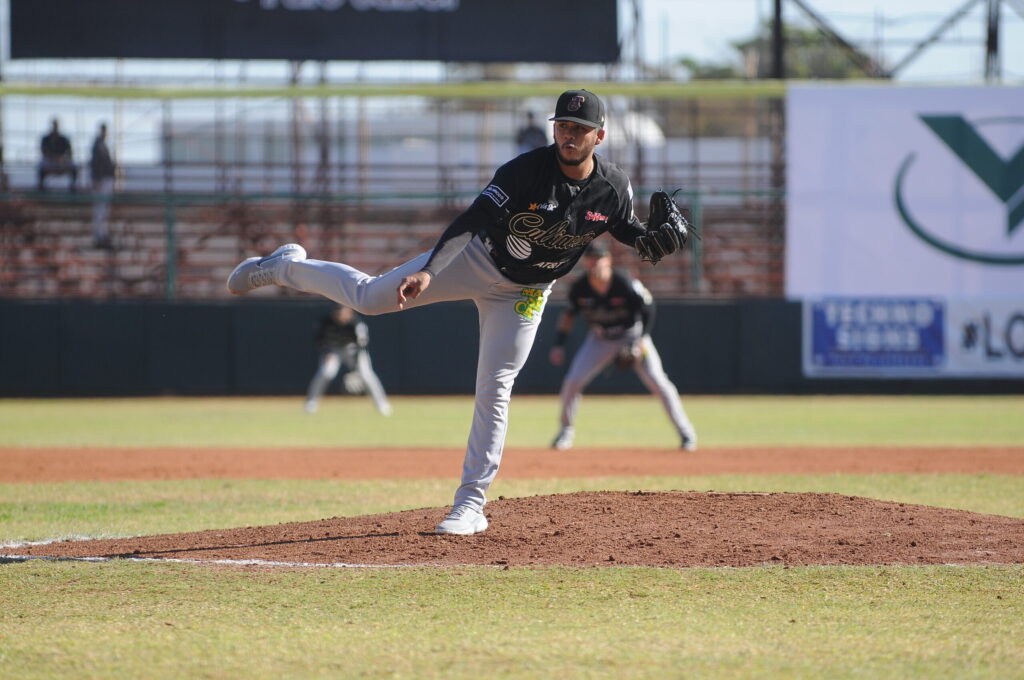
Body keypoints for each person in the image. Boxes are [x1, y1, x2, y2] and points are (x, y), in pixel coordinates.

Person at [226, 89, 691, 535]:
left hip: (526, 291)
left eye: (580, 128)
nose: (569, 135)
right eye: (563, 125)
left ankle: (471, 504)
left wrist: (650, 238)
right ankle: (287, 268)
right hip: (474, 260)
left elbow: (624, 228)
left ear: (600, 136)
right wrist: (430, 271)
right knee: (368, 298)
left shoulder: (613, 186)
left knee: (496, 386)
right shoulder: (523, 172)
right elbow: (470, 220)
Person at [548, 242, 698, 452]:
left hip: (632, 335)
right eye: (590, 259)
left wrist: (640, 341)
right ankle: (565, 432)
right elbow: (568, 316)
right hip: (600, 338)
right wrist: (559, 344)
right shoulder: (580, 287)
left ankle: (686, 433)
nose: (594, 263)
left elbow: (648, 308)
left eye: (598, 258)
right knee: (573, 381)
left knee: (658, 381)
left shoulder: (624, 282)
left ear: (607, 260)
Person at [305, 305, 392, 416]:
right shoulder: (326, 322)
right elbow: (319, 339)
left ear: (349, 312)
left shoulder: (356, 323)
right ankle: (311, 402)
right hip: (333, 351)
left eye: (341, 312)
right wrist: (326, 352)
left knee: (366, 374)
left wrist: (355, 369)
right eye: (337, 313)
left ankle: (382, 404)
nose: (339, 315)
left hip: (353, 350)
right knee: (326, 372)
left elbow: (361, 346)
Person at [89, 123, 117, 249]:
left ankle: (102, 235)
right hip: (101, 180)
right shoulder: (98, 145)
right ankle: (99, 235)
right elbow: (97, 164)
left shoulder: (102, 145)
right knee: (100, 210)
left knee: (103, 210)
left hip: (103, 179)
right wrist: (97, 179)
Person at [37, 118, 78, 192]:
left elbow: (70, 152)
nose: (55, 127)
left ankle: (73, 188)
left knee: (74, 166)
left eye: (56, 125)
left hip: (62, 162)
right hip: (50, 161)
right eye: (54, 125)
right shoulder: (46, 139)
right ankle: (41, 187)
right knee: (41, 166)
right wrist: (53, 157)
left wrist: (63, 158)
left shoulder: (64, 139)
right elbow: (43, 151)